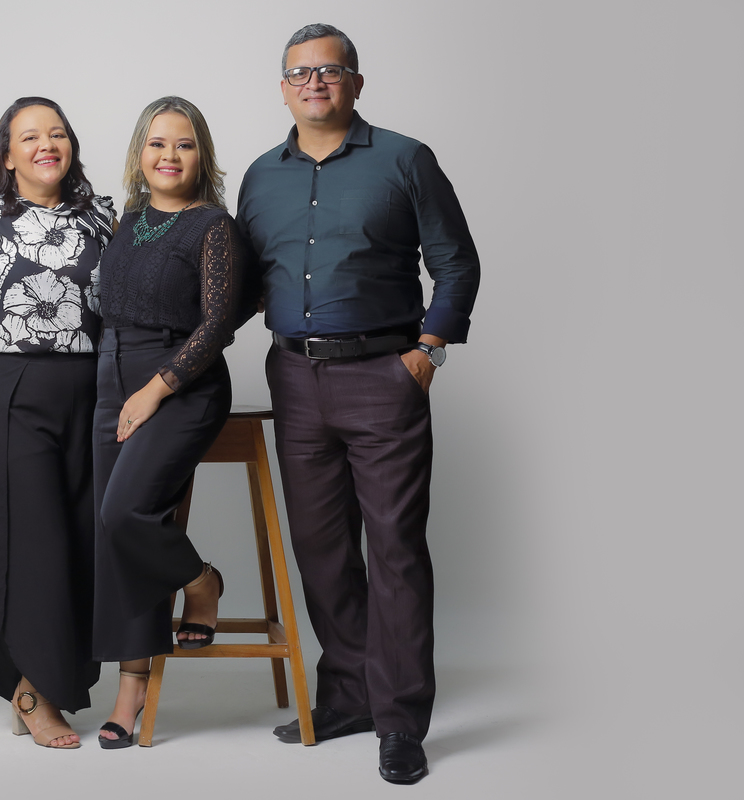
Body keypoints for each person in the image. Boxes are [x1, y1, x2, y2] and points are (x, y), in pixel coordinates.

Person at [236, 23, 480, 783]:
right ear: (282, 88)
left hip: (383, 375)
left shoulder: (405, 159)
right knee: (322, 548)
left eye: (330, 70)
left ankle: (400, 720)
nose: (314, 82)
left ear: (356, 83)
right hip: (293, 378)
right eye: (300, 73)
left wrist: (427, 351)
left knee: (396, 549)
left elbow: (456, 262)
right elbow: (246, 282)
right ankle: (348, 695)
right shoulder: (260, 176)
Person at [0, 97, 115, 750]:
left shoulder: (101, 217)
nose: (47, 145)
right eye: (30, 137)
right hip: (20, 392)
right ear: (8, 154)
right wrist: (8, 352)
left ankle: (62, 676)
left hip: (94, 390)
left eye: (58, 133)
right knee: (32, 542)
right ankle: (29, 691)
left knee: (82, 538)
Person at [91, 96, 248, 749]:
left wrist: (156, 389)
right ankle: (129, 692)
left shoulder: (213, 226)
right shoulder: (127, 222)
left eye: (184, 144)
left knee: (125, 513)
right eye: (157, 143)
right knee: (115, 537)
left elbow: (217, 325)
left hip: (182, 383)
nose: (169, 156)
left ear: (202, 156)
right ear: (139, 154)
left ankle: (201, 584)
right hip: (111, 378)